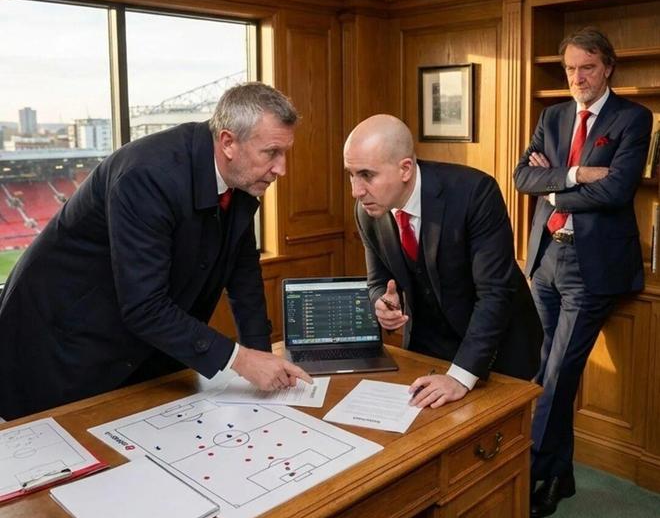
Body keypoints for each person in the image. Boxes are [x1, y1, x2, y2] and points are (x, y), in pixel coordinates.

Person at [0, 82, 311, 420]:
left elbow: (244, 277)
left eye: (285, 153)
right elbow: (144, 306)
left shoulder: (241, 179)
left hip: (138, 345)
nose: (281, 168)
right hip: (62, 342)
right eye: (271, 152)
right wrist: (242, 361)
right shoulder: (147, 174)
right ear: (227, 142)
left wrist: (263, 361)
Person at [514, 27, 652, 518]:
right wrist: (574, 175)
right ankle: (560, 476)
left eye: (587, 67)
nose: (578, 77)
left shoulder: (633, 118)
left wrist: (551, 188)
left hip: (592, 268)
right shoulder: (552, 116)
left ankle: (528, 473)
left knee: (558, 373)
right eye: (570, 69)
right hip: (545, 258)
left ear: (608, 67)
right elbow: (521, 177)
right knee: (541, 367)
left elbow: (616, 191)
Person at [343, 114, 542, 410]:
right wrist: (382, 304)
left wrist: (461, 376)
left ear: (405, 169)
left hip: (496, 350)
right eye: (350, 174)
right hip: (427, 349)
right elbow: (377, 282)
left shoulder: (475, 192)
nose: (356, 191)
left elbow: (495, 293)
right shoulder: (367, 211)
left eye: (367, 175)